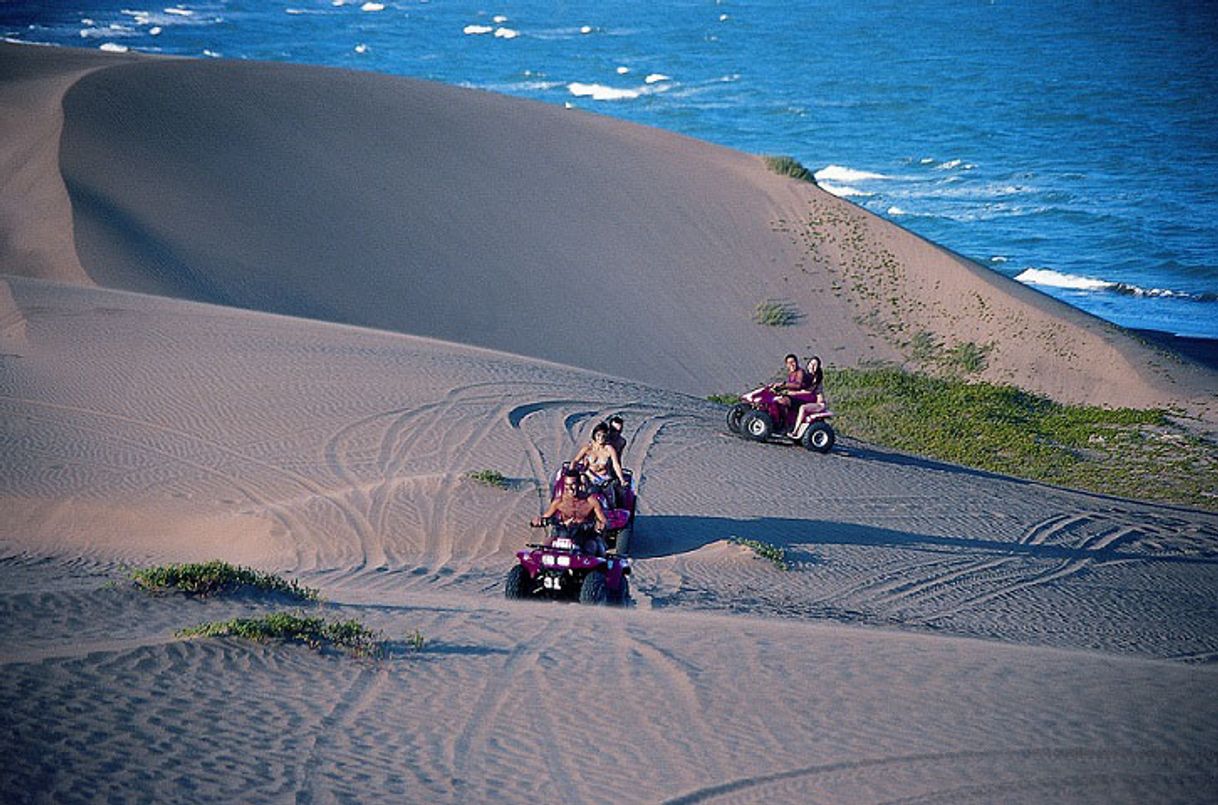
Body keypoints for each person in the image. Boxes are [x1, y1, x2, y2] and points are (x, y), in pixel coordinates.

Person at [530, 467, 608, 554]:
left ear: (579, 484)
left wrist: (600, 525)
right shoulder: (559, 502)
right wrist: (537, 521)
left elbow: (603, 520)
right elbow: (545, 517)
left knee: (592, 548)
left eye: (573, 484)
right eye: (567, 485)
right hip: (563, 534)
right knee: (545, 546)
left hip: (585, 536)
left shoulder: (591, 501)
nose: (570, 488)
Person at [570, 421, 626, 508]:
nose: (601, 438)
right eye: (598, 435)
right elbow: (575, 461)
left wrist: (621, 479)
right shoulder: (588, 448)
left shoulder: (609, 449)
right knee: (584, 493)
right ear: (594, 435)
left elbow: (616, 464)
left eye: (603, 436)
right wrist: (571, 473)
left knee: (612, 501)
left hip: (605, 479)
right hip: (590, 477)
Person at [772, 353, 819, 435]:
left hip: (804, 399)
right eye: (789, 363)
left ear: (797, 362)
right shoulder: (791, 373)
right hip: (796, 397)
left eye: (793, 362)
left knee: (782, 401)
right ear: (786, 365)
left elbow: (798, 385)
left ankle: (786, 425)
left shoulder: (800, 372)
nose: (792, 364)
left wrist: (783, 385)